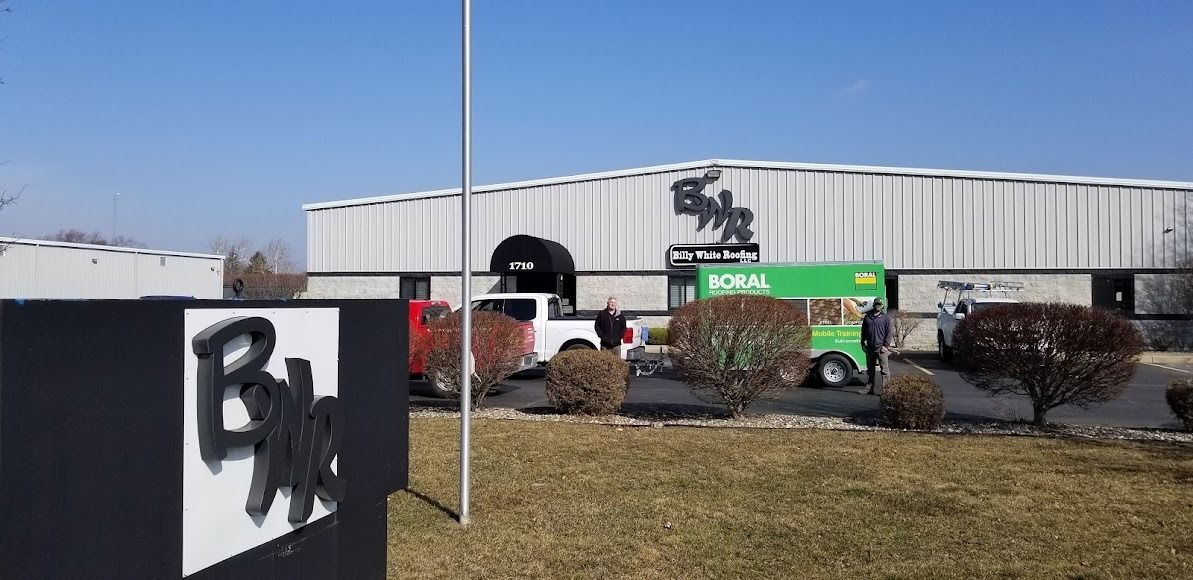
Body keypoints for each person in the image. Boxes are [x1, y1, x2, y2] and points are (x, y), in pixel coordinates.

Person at [859, 297, 892, 395]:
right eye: (877, 304)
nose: (878, 306)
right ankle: (869, 388)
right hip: (870, 347)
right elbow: (863, 331)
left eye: (880, 305)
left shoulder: (886, 318)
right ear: (874, 305)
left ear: (882, 306)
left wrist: (885, 346)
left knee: (884, 370)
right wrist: (862, 343)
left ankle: (886, 390)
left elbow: (889, 332)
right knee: (870, 369)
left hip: (881, 348)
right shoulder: (867, 317)